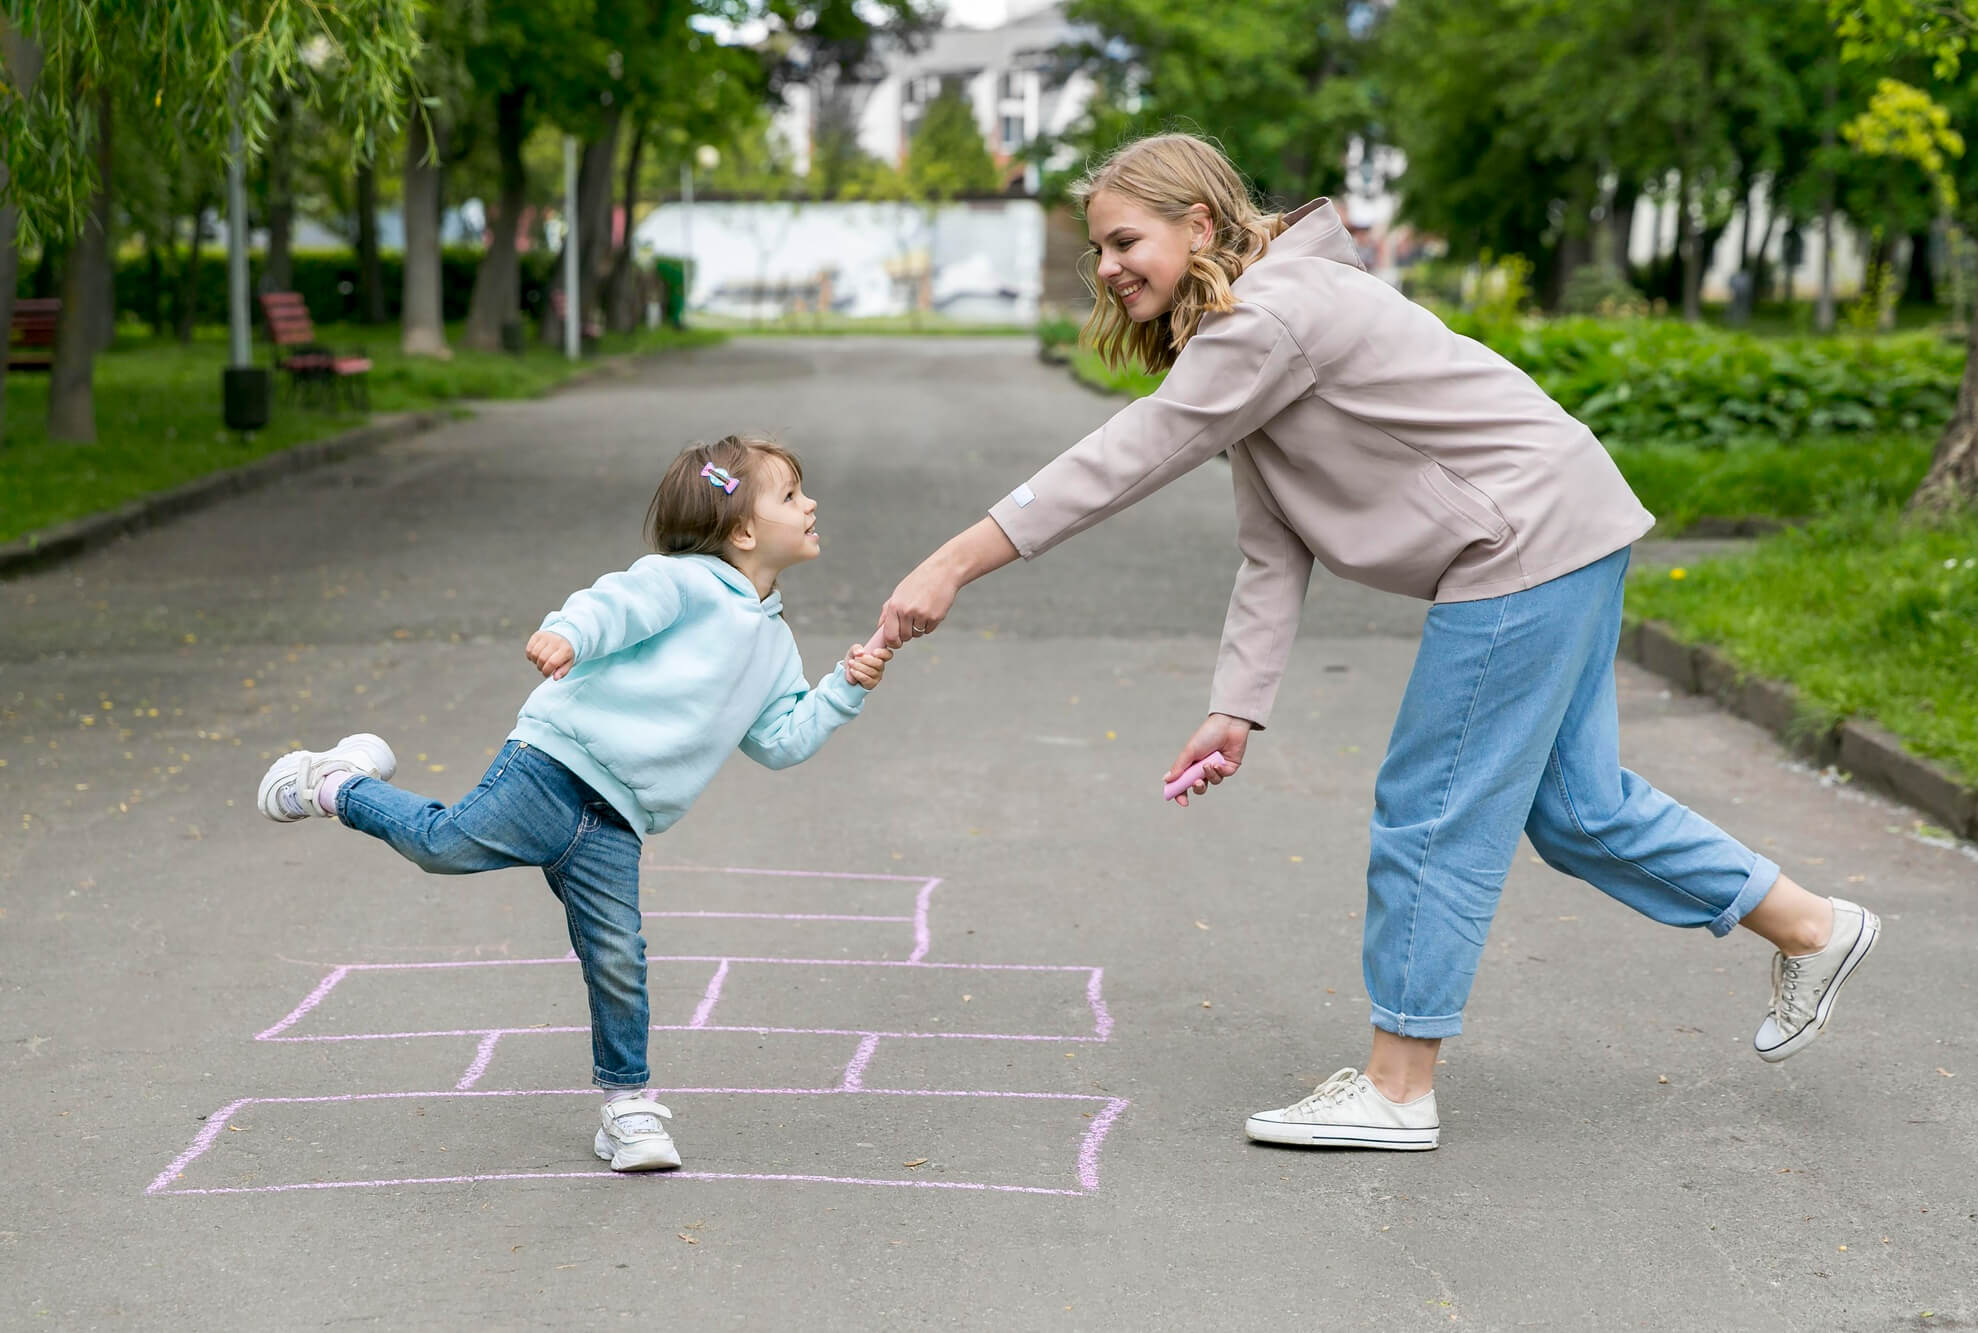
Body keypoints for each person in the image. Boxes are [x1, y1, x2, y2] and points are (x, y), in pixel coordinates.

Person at [876, 133, 1877, 1152]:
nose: (1106, 267)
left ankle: (1397, 1086)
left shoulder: (1271, 316)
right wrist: (1236, 704)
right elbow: (1272, 543)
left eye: (1124, 240)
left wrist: (951, 561)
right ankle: (1812, 926)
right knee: (1578, 811)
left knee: (1429, 808)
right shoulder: (1259, 318)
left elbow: (1124, 455)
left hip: (1521, 543)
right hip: (1563, 524)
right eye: (1096, 248)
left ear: (1199, 226)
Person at [256, 434, 893, 1171]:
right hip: (554, 766)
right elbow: (614, 603)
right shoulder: (682, 582)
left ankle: (628, 1108)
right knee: (442, 845)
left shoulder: (775, 645)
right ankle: (332, 781)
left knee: (618, 955)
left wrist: (844, 688)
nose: (810, 503)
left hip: (618, 819)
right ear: (744, 531)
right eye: (791, 495)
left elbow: (781, 739)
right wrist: (568, 632)